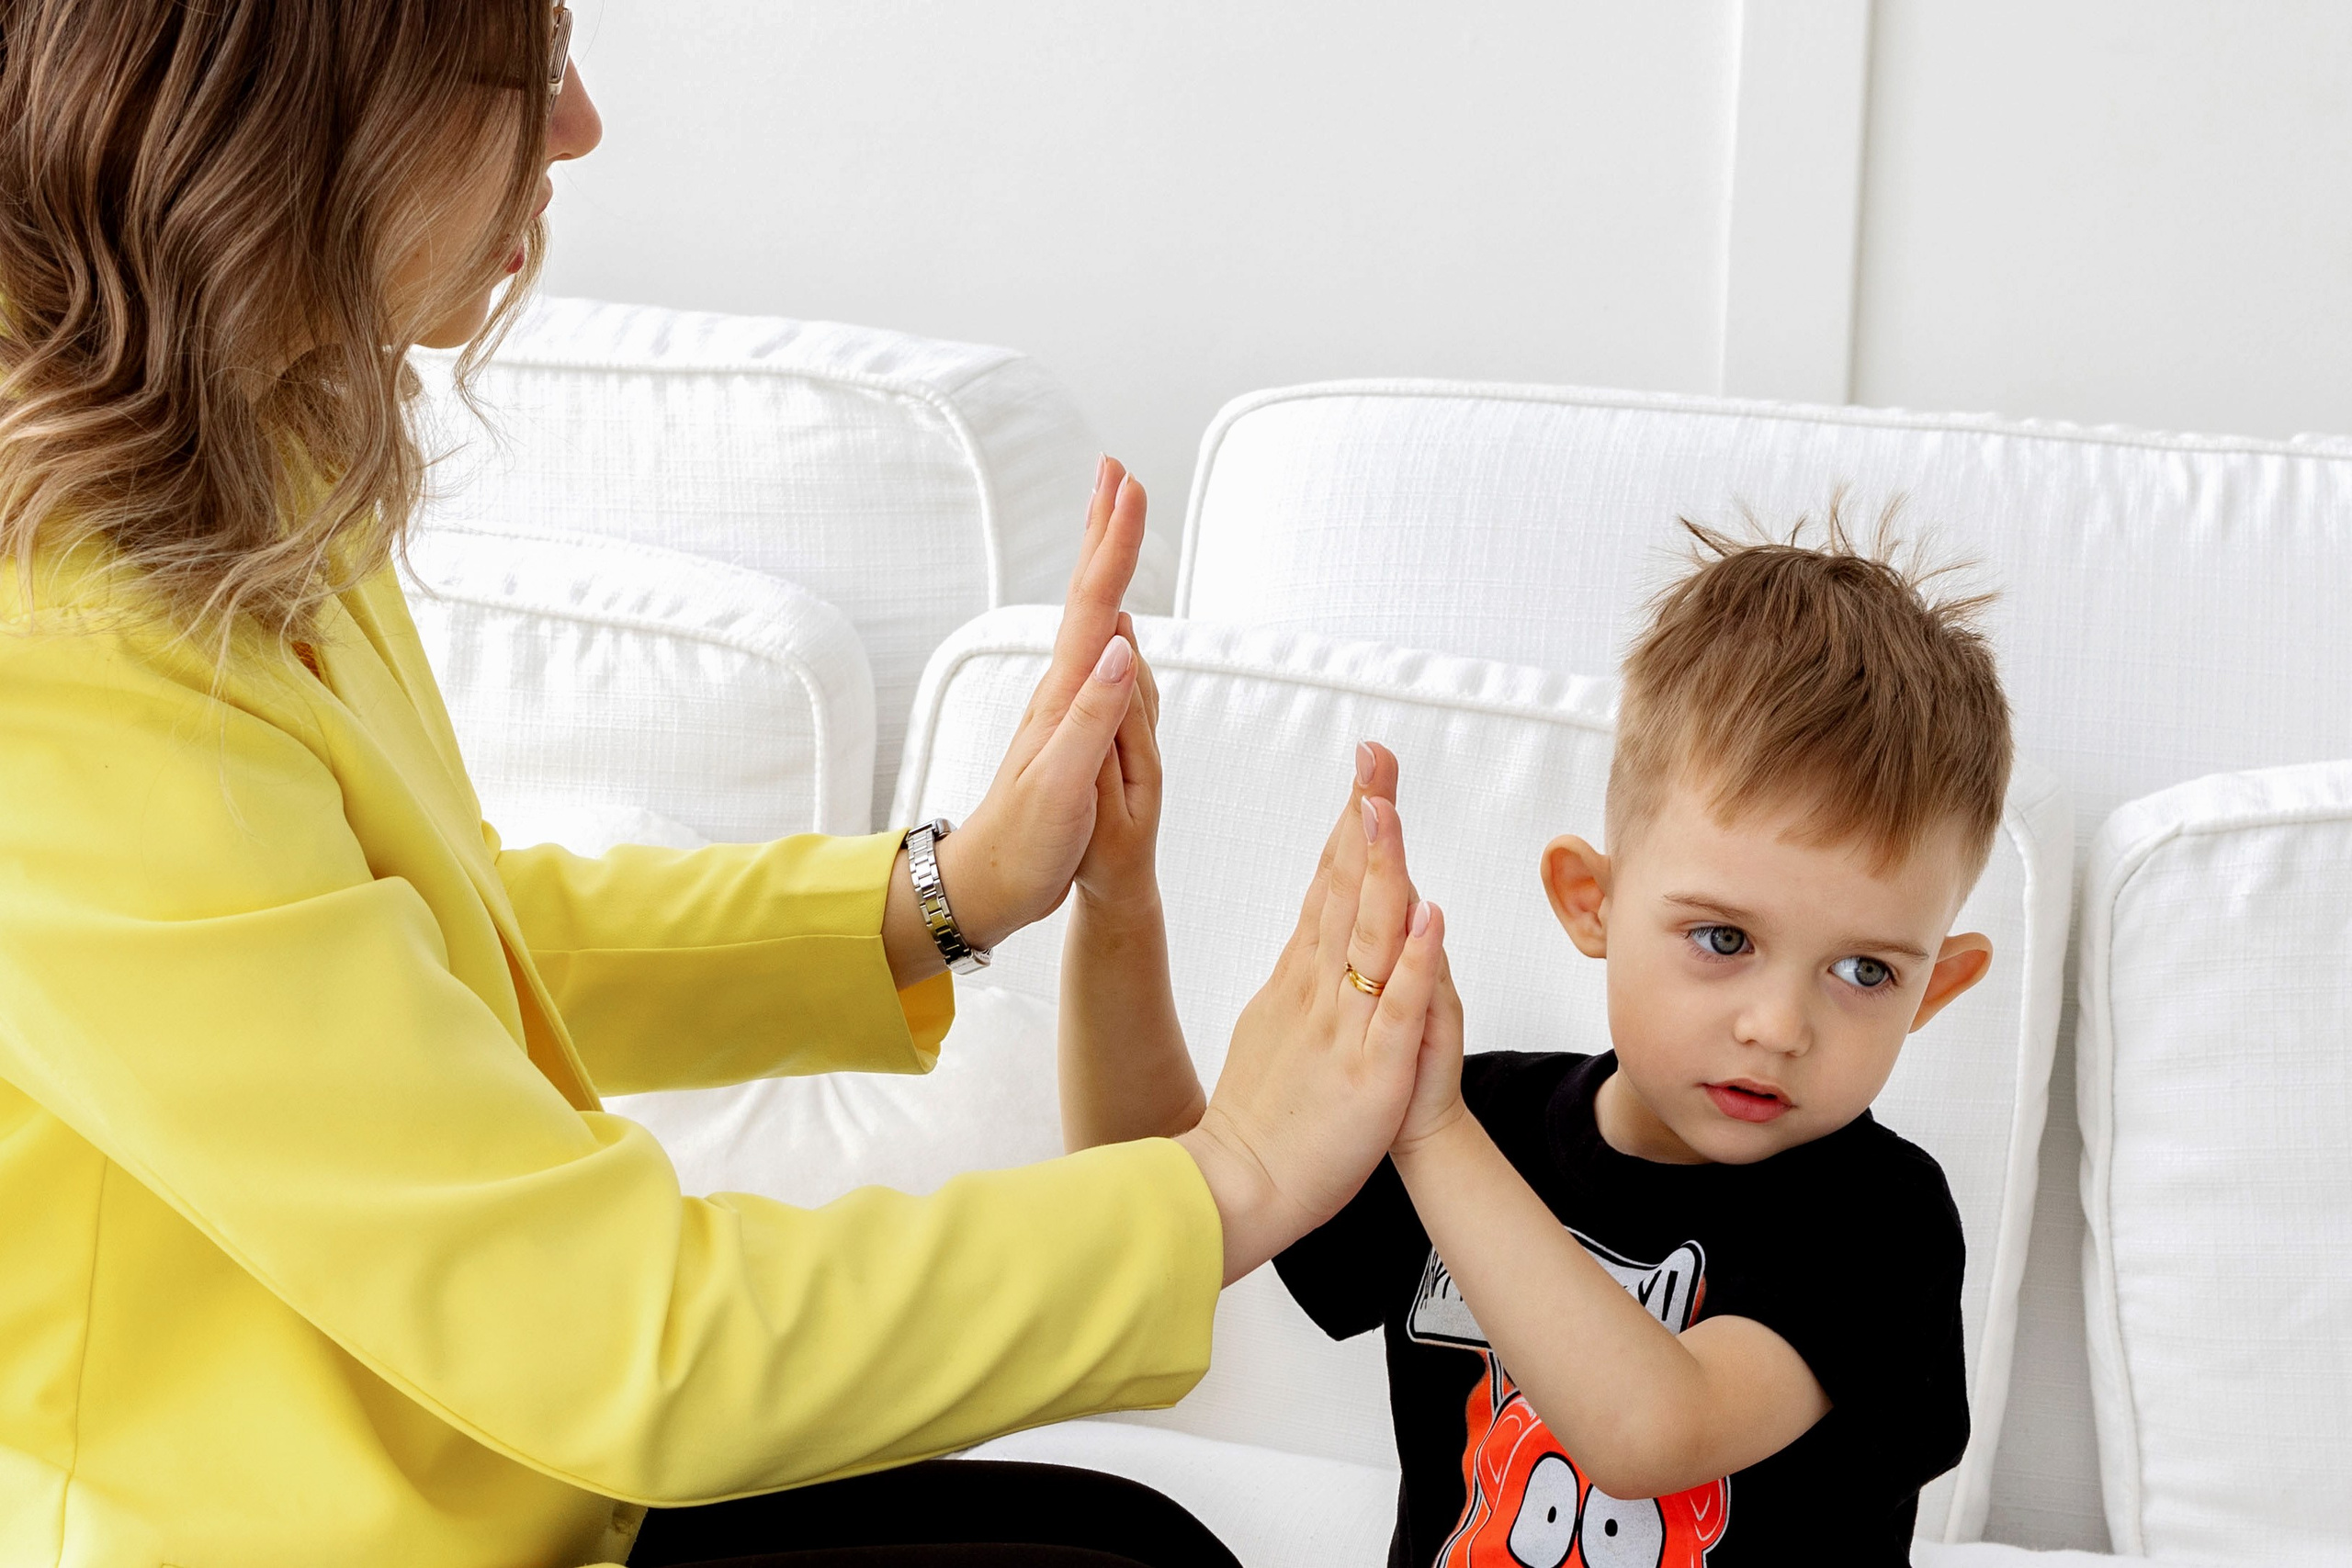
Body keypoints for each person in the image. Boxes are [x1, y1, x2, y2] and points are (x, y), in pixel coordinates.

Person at [0, 6, 1450, 1566]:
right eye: (526, 67)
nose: (578, 129)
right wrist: (1226, 1179)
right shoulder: (64, 664)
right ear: (292, 109)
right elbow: (621, 1338)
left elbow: (436, 952)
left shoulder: (235, 433)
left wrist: (947, 891)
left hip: (528, 1487)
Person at [1064, 516, 2011, 1565]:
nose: (1778, 1027)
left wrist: (1430, 1134)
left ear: (1936, 986)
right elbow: (1154, 1202)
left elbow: (1652, 1434)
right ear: (1589, 903)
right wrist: (1111, 901)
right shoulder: (1488, 1122)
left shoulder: (1879, 1222)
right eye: (1722, 938)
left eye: (1863, 970)